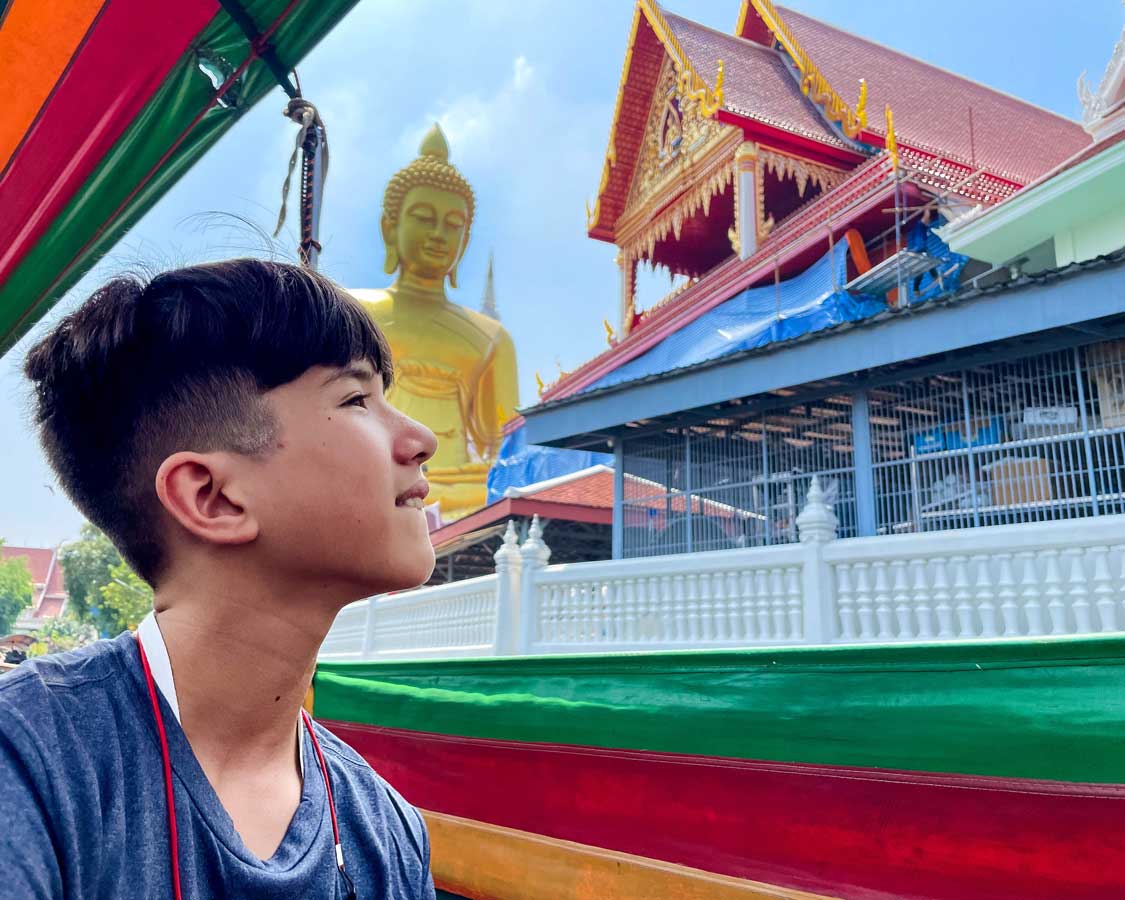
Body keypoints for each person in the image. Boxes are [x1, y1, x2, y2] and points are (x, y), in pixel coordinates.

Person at [0, 259, 440, 899]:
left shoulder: (385, 828)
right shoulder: (33, 767)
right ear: (212, 497)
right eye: (354, 398)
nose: (422, 438)